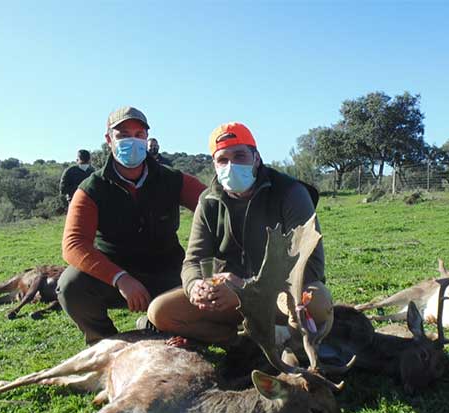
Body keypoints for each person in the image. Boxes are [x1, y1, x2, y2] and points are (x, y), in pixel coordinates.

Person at [147, 122, 332, 346]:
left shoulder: (291, 193)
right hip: (226, 299)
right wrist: (195, 285)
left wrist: (244, 287)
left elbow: (311, 266)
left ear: (256, 158)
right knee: (161, 312)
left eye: (240, 156)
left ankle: (287, 338)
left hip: (277, 297)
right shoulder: (208, 201)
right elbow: (193, 260)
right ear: (214, 164)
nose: (231, 165)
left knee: (318, 302)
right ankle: (237, 341)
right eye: (222, 159)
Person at [57, 106, 205, 344]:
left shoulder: (173, 180)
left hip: (169, 273)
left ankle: (157, 326)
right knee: (70, 286)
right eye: (123, 134)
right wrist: (120, 278)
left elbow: (215, 208)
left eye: (139, 135)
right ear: (108, 140)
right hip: (116, 276)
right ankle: (106, 344)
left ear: (147, 139)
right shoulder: (91, 189)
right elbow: (73, 245)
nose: (132, 141)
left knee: (205, 288)